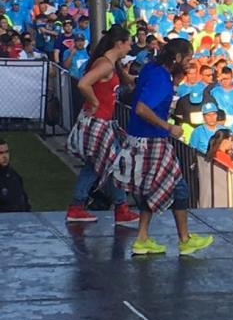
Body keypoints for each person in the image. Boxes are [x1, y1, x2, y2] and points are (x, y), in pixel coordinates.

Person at [112, 38, 214, 256]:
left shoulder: (153, 68)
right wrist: (168, 127)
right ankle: (184, 240)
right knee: (180, 188)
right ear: (176, 58)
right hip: (152, 141)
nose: (190, 63)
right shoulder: (161, 79)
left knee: (150, 189)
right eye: (187, 59)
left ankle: (142, 238)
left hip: (142, 138)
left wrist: (175, 81)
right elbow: (141, 108)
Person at [65, 25, 139, 225]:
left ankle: (78, 206)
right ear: (119, 44)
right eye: (128, 44)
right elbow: (83, 83)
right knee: (114, 165)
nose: (130, 48)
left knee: (95, 166)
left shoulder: (110, 63)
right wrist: (95, 102)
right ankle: (120, 207)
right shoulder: (106, 64)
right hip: (98, 122)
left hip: (101, 123)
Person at [0, 138, 29, 212]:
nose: (5, 156)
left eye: (6, 152)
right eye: (1, 153)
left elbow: (24, 200)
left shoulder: (14, 175)